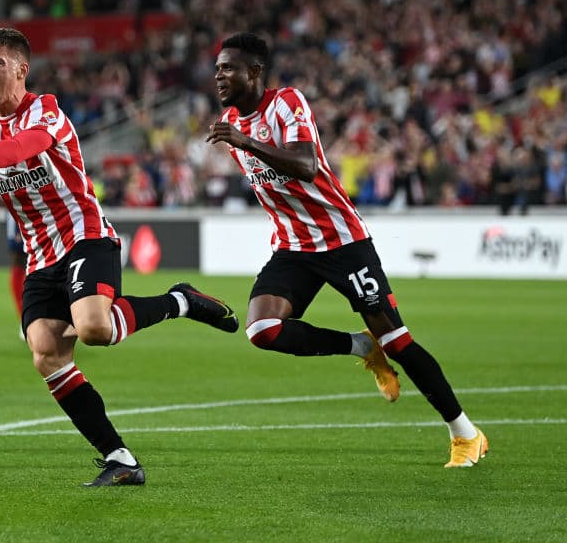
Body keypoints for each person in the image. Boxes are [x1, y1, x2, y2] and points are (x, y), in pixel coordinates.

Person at [0, 27, 239, 486]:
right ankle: (120, 458)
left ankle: (180, 301)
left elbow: (22, 147)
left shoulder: (45, 112)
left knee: (93, 329)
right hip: (39, 254)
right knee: (46, 353)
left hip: (84, 237)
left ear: (21, 70)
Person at [205, 32, 487, 468]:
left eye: (228, 67)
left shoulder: (286, 103)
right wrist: (240, 142)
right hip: (293, 247)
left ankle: (465, 434)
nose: (219, 75)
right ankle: (360, 346)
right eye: (217, 68)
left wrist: (246, 142)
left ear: (255, 71)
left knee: (397, 340)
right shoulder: (229, 122)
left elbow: (305, 165)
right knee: (262, 329)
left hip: (342, 241)